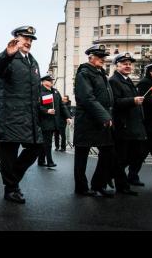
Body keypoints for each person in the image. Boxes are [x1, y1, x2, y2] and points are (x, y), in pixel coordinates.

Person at [0, 25, 43, 204]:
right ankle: (11, 189)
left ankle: (13, 180)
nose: (28, 41)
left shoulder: (33, 62)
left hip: (30, 116)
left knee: (36, 148)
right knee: (9, 153)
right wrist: (6, 53)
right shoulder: (9, 58)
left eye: (30, 39)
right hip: (11, 116)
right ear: (16, 39)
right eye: (24, 38)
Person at [73, 45, 116, 198]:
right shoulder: (84, 73)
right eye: (99, 56)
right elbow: (87, 98)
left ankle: (99, 184)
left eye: (103, 57)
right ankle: (82, 187)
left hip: (100, 120)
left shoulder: (101, 74)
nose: (102, 59)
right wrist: (104, 116)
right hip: (87, 120)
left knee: (108, 152)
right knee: (82, 155)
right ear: (90, 57)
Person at [108, 52, 144, 196]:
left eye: (129, 64)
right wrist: (133, 101)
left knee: (135, 154)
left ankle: (110, 176)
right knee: (122, 157)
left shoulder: (128, 80)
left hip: (132, 125)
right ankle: (122, 186)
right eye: (124, 63)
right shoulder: (114, 81)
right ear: (117, 66)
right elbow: (114, 102)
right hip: (123, 125)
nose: (128, 66)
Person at [37, 74, 71, 167]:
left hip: (55, 121)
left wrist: (68, 116)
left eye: (52, 80)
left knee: (45, 142)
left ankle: (41, 160)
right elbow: (37, 106)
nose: (52, 82)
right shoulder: (39, 92)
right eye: (49, 80)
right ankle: (49, 161)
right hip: (44, 121)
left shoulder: (55, 92)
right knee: (47, 142)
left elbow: (62, 105)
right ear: (44, 82)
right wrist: (47, 110)